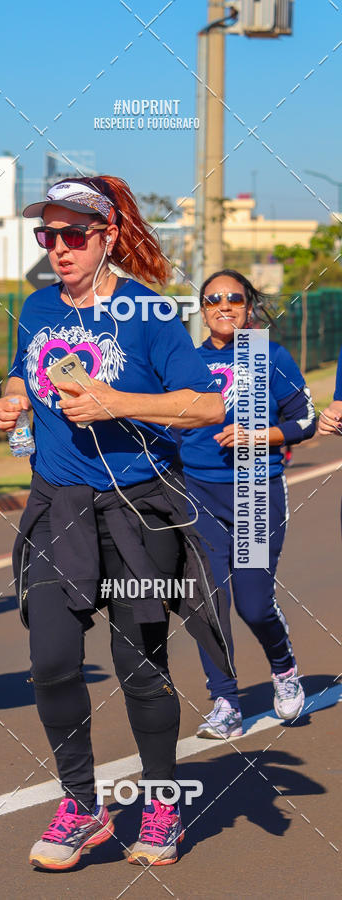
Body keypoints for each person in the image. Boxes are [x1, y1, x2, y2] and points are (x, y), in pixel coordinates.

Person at [0, 176, 230, 870]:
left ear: (107, 238)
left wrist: (116, 401)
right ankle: (81, 806)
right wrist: (13, 403)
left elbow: (207, 406)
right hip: (59, 505)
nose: (58, 248)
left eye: (73, 235)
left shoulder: (149, 315)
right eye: (48, 236)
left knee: (139, 666)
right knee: (52, 663)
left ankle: (161, 800)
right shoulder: (36, 308)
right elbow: (20, 374)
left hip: (136, 510)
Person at [179, 270, 315, 739]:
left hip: (256, 490)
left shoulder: (268, 356)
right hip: (199, 493)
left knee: (253, 606)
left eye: (234, 298)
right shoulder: (186, 362)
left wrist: (259, 435)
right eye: (212, 298)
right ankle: (224, 701)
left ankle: (284, 668)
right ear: (202, 307)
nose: (223, 305)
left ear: (248, 306)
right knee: (210, 604)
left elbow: (305, 421)